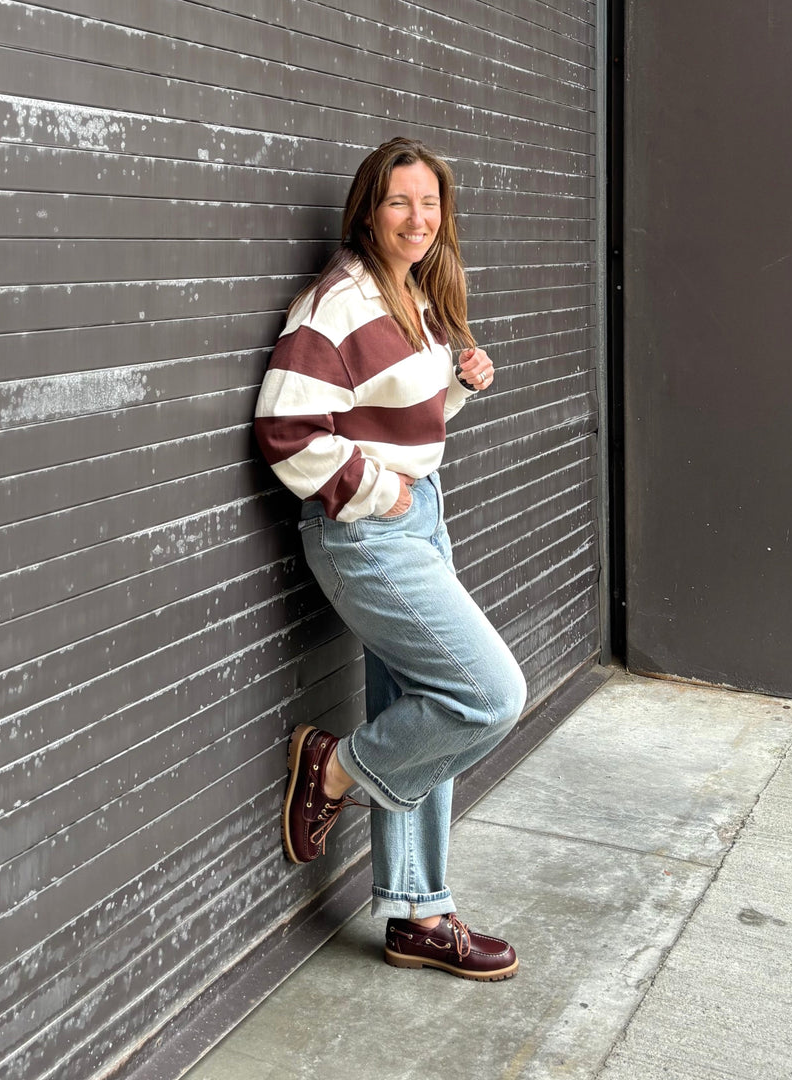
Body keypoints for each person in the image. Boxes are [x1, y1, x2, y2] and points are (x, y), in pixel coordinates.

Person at [254, 137, 528, 981]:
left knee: (426, 704)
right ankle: (333, 768)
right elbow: (286, 429)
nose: (419, 220)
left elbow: (388, 414)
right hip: (368, 535)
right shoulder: (336, 301)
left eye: (431, 205)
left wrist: (458, 383)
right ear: (369, 209)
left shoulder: (410, 295)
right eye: (401, 203)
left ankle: (418, 912)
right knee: (486, 697)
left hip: (416, 521)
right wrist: (385, 495)